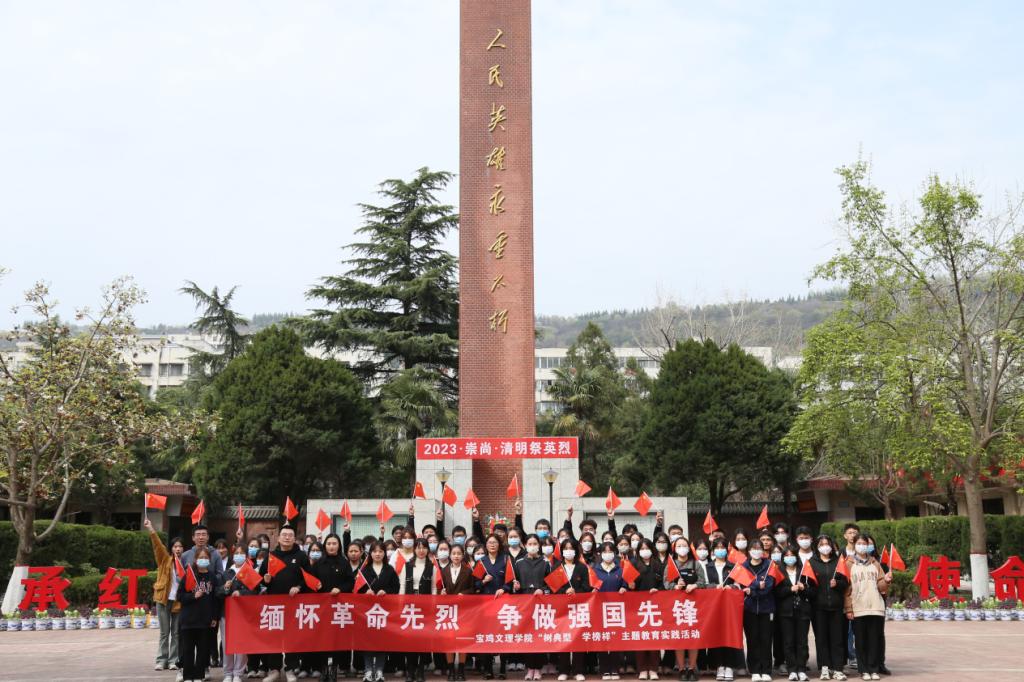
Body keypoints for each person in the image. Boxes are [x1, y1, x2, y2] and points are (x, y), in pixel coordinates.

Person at [259, 524, 311, 682]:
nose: (287, 537)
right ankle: (274, 670)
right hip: (274, 605)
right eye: (284, 535)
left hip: (294, 603)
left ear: (294, 538)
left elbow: (309, 578)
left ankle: (290, 669)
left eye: (290, 535)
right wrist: (266, 580)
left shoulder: (301, 556)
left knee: (292, 638)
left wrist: (298, 587)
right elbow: (261, 579)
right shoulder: (271, 556)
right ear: (278, 538)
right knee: (273, 637)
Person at [844, 536, 890, 681]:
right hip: (858, 608)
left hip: (875, 607)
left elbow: (881, 586)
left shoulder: (875, 563)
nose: (862, 546)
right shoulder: (848, 563)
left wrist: (886, 580)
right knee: (861, 641)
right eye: (859, 543)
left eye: (865, 543)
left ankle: (873, 669)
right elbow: (846, 589)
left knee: (873, 640)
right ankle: (863, 670)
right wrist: (848, 608)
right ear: (854, 545)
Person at [807, 535, 849, 681]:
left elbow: (846, 583)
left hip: (836, 607)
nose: (825, 547)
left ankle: (838, 669)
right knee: (821, 639)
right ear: (817, 547)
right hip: (818, 608)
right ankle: (824, 668)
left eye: (827, 544)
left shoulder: (839, 562)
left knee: (837, 639)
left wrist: (837, 584)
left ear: (831, 546)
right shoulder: (811, 563)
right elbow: (809, 585)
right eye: (821, 544)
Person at [178, 546, 222, 682]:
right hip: (188, 620)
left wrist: (214, 617)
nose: (203, 560)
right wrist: (193, 596)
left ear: (209, 560)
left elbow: (216, 599)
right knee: (188, 650)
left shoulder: (212, 577)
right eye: (200, 557)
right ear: (195, 560)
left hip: (205, 620)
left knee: (203, 650)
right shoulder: (189, 575)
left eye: (205, 558)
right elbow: (180, 596)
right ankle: (187, 676)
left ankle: (199, 675)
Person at [144, 518, 183, 673]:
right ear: (171, 548)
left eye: (180, 546)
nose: (178, 549)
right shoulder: (165, 559)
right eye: (175, 546)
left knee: (176, 633)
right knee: (164, 633)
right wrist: (151, 529)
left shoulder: (186, 563)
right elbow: (158, 546)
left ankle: (173, 661)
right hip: (163, 600)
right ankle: (161, 661)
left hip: (178, 602)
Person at [667, 537, 707, 681]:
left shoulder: (696, 563)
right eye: (679, 546)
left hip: (694, 606)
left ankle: (691, 668)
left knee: (693, 637)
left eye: (684, 545)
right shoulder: (671, 564)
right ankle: (681, 669)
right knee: (680, 638)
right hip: (676, 606)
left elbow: (702, 581)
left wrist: (695, 585)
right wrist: (675, 586)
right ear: (674, 548)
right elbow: (666, 583)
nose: (682, 548)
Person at [359, 542, 400, 682]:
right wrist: (365, 592)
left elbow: (396, 587)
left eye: (380, 551)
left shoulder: (389, 570)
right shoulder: (364, 570)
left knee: (382, 641)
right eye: (374, 551)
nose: (377, 554)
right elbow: (357, 590)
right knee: (367, 641)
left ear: (384, 554)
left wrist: (386, 591)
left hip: (384, 612)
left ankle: (379, 670)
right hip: (368, 612)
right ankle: (368, 670)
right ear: (370, 554)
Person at [316, 533, 355, 681]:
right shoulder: (319, 563)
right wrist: (316, 586)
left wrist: (340, 589)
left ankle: (334, 669)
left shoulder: (344, 563)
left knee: (337, 639)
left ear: (339, 546)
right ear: (325, 546)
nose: (331, 546)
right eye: (329, 544)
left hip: (339, 607)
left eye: (334, 543)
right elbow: (311, 581)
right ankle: (323, 669)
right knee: (322, 638)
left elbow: (350, 582)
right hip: (322, 608)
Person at [477, 533, 514, 680]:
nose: (492, 545)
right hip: (485, 604)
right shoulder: (481, 562)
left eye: (495, 542)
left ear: (499, 544)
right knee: (487, 636)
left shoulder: (506, 559)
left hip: (502, 603)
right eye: (489, 542)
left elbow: (511, 580)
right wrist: (483, 581)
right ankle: (488, 669)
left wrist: (504, 588)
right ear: (485, 545)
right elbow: (475, 583)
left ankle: (503, 669)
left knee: (502, 636)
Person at [514, 534, 551, 681]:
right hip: (525, 604)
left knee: (539, 636)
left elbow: (551, 584)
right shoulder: (519, 563)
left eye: (535, 543)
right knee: (528, 637)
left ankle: (538, 668)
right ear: (525, 545)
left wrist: (543, 589)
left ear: (539, 545)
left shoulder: (545, 562)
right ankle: (530, 668)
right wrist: (516, 587)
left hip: (541, 604)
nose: (532, 546)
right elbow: (514, 583)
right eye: (529, 544)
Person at [400, 539, 438, 682]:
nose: (421, 551)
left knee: (423, 639)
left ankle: (421, 670)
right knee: (410, 640)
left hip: (425, 607)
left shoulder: (432, 567)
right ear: (414, 549)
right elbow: (402, 586)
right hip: (409, 607)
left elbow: (434, 588)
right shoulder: (407, 565)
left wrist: (433, 605)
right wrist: (400, 604)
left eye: (424, 548)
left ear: (428, 550)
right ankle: (410, 670)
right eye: (418, 547)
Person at [554, 538, 591, 682]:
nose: (568, 551)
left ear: (576, 550)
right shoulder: (557, 567)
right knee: (563, 638)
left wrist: (576, 591)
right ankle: (563, 670)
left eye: (571, 548)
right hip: (562, 609)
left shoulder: (582, 567)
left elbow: (587, 587)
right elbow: (553, 587)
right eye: (566, 548)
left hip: (578, 608)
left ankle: (578, 670)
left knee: (577, 639)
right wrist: (564, 592)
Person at [222, 544, 259, 682]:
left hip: (244, 613)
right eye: (236, 553)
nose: (239, 556)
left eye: (241, 553)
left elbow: (254, 591)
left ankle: (238, 673)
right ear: (233, 556)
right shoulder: (227, 573)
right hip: (227, 614)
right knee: (227, 644)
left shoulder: (250, 572)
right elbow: (218, 592)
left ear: (246, 556)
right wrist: (225, 589)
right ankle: (228, 673)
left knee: (242, 643)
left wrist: (241, 593)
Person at [592, 542, 628, 681]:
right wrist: (592, 590)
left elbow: (625, 584)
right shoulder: (595, 570)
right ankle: (605, 669)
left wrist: (624, 588)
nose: (608, 554)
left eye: (610, 551)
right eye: (605, 552)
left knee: (615, 639)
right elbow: (590, 586)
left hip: (616, 611)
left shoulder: (620, 569)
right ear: (600, 554)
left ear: (615, 553)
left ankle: (615, 668)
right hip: (599, 610)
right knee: (602, 639)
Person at [741, 541, 776, 681]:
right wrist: (756, 585)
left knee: (766, 640)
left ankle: (766, 670)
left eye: (759, 548)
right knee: (752, 639)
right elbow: (743, 585)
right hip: (749, 609)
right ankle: (754, 670)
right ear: (749, 550)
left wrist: (752, 591)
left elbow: (768, 587)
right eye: (754, 548)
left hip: (767, 609)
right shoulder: (743, 567)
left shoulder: (770, 565)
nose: (756, 551)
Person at [775, 548, 811, 682]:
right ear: (783, 558)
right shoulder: (779, 571)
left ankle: (801, 669)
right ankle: (792, 669)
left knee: (802, 642)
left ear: (796, 557)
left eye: (792, 555)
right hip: (786, 612)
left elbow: (813, 591)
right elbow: (776, 592)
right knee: (788, 642)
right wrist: (790, 589)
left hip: (802, 611)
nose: (790, 557)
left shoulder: (804, 571)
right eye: (787, 555)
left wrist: (804, 588)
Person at [441, 542, 475, 681]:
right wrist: (441, 592)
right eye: (454, 553)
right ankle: (451, 670)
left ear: (463, 555)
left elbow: (473, 589)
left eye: (459, 554)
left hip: (463, 611)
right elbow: (439, 587)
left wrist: (464, 594)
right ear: (450, 555)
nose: (456, 556)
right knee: (448, 640)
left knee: (462, 640)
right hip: (448, 611)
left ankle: (461, 670)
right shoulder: (443, 571)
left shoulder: (468, 571)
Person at [706, 537, 737, 682]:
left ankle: (729, 665)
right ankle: (719, 666)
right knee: (717, 635)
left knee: (729, 634)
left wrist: (732, 587)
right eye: (717, 548)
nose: (720, 550)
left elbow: (739, 584)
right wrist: (714, 587)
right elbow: (704, 584)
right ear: (713, 551)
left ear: (727, 549)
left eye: (722, 547)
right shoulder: (708, 566)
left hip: (729, 605)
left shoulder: (733, 566)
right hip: (713, 605)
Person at [633, 539, 663, 681]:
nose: (645, 551)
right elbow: (629, 584)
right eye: (642, 549)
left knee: (654, 638)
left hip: (655, 606)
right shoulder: (634, 565)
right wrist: (631, 586)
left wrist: (658, 589)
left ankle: (653, 669)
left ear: (652, 549)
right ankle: (642, 669)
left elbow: (664, 583)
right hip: (638, 607)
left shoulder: (658, 565)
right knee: (640, 638)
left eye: (647, 548)